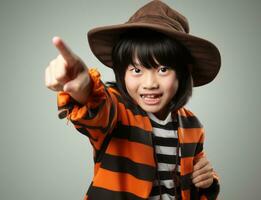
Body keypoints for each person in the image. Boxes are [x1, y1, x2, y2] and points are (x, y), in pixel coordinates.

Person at [45, 0, 220, 199]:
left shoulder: (192, 125)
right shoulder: (117, 110)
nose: (150, 83)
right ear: (122, 73)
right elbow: (97, 108)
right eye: (136, 70)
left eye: (163, 69)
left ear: (183, 72)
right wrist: (84, 87)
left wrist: (209, 181)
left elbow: (199, 177)